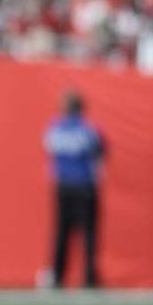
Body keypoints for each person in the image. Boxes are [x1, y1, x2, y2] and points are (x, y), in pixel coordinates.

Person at [43, 91, 104, 288]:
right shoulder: (88, 129)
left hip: (63, 185)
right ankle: (89, 277)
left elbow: (49, 149)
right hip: (84, 186)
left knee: (62, 233)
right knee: (88, 234)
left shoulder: (55, 128)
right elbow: (99, 150)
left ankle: (58, 275)